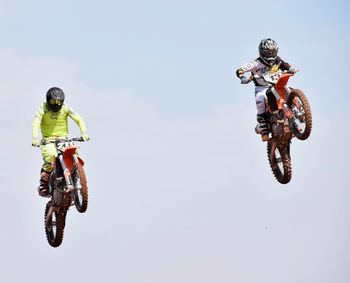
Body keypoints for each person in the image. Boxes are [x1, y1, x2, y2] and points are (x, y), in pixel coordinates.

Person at [32, 87, 89, 197]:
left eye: (59, 101)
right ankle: (43, 185)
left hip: (64, 138)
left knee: (74, 153)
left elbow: (79, 119)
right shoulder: (42, 108)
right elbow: (36, 123)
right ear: (48, 100)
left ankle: (76, 177)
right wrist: (35, 138)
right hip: (48, 140)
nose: (57, 104)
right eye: (54, 101)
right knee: (51, 157)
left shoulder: (66, 108)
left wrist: (84, 133)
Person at [235, 38, 295, 141]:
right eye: (268, 53)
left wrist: (290, 69)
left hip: (276, 84)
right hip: (261, 87)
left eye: (273, 52)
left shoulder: (277, 60)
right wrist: (243, 77)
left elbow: (286, 66)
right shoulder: (255, 63)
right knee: (260, 99)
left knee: (289, 89)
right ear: (262, 52)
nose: (271, 56)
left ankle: (298, 111)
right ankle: (264, 129)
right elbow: (240, 70)